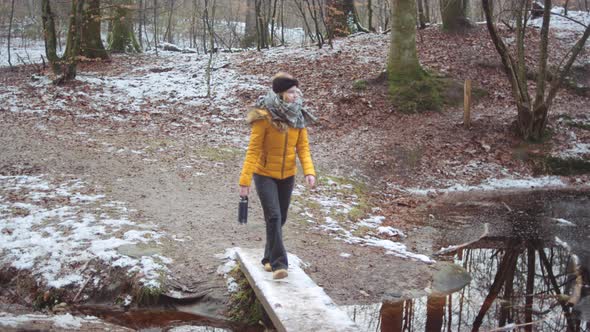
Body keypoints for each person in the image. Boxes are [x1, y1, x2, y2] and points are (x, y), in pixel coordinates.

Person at [239, 72, 317, 280]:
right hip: (264, 174)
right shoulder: (264, 118)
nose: (295, 96)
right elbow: (253, 151)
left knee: (280, 218)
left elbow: (303, 148)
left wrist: (309, 172)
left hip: (287, 175)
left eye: (297, 92)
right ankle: (279, 264)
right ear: (280, 94)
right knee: (273, 216)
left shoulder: (297, 116)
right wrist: (244, 182)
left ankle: (267, 258)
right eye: (291, 92)